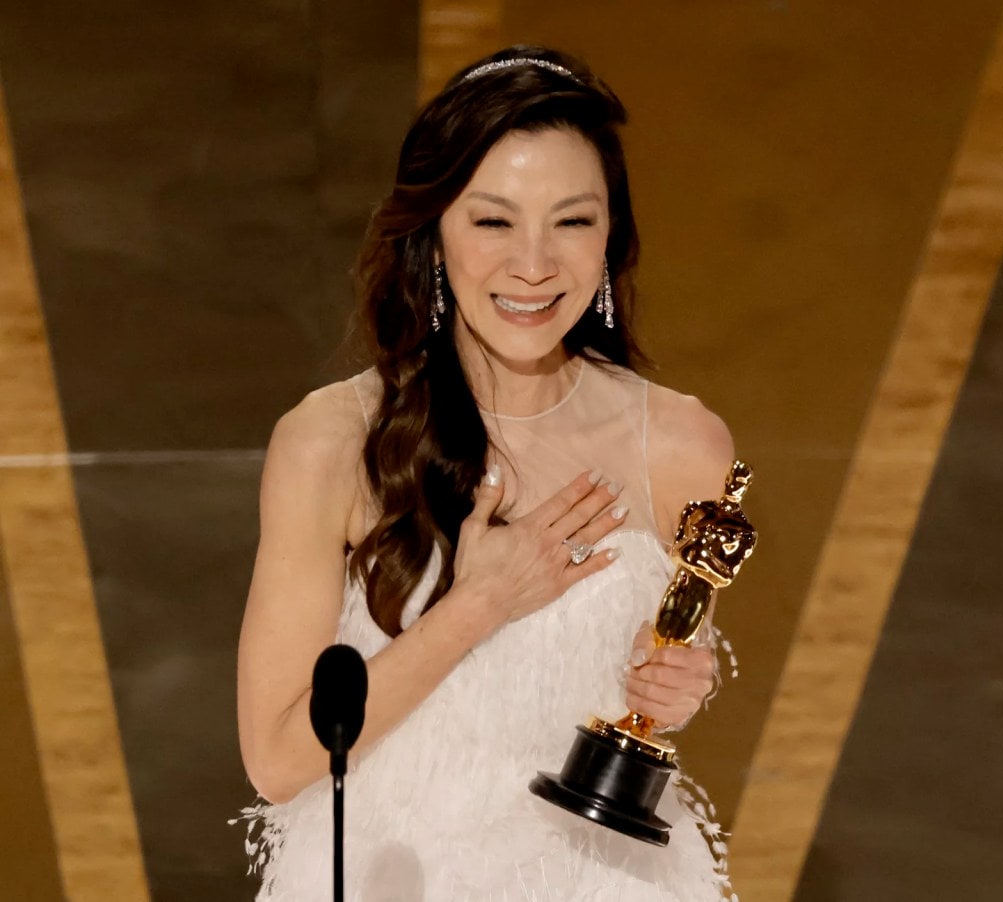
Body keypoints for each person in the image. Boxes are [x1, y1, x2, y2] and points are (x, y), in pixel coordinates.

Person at [236, 45, 740, 901]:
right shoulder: (331, 444)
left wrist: (672, 689)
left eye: (573, 222)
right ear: (433, 233)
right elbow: (281, 760)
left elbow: (642, 684)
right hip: (394, 875)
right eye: (493, 221)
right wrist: (478, 605)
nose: (535, 265)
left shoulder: (685, 447)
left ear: (611, 233)